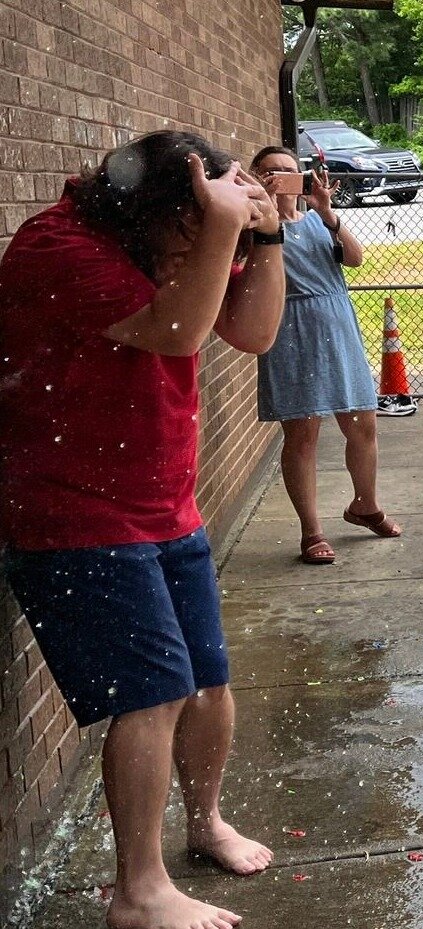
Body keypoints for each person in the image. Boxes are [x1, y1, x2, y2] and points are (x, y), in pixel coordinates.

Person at [0, 131, 286, 929]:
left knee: (207, 683)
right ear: (150, 207)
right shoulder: (59, 245)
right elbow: (177, 332)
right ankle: (139, 889)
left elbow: (253, 333)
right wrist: (225, 228)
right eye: (194, 225)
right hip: (75, 510)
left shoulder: (172, 232)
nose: (205, 241)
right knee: (152, 696)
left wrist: (264, 233)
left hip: (164, 500)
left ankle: (205, 822)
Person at [249, 147, 400, 565]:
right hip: (288, 329)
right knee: (302, 435)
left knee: (363, 425)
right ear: (255, 175)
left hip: (337, 323)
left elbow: (354, 258)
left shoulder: (318, 219)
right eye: (269, 171)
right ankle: (311, 531)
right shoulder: (253, 226)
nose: (280, 177)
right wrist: (262, 207)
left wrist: (327, 211)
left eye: (287, 170)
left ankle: (364, 506)